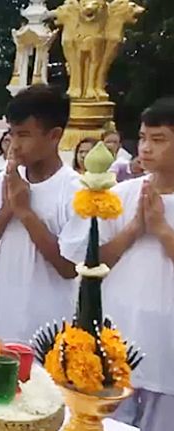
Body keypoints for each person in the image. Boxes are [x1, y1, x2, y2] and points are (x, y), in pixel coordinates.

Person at [60, 98, 174, 431]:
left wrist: (162, 231)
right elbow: (89, 262)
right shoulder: (119, 194)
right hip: (118, 335)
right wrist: (133, 230)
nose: (146, 148)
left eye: (159, 139)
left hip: (166, 339)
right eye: (142, 138)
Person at [0, 84, 79, 341]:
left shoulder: (75, 190)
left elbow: (68, 267)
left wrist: (25, 212)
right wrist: (7, 209)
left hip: (45, 329)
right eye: (12, 134)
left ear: (54, 135)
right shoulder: (3, 181)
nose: (15, 145)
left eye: (24, 135)